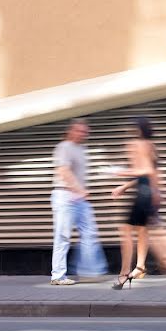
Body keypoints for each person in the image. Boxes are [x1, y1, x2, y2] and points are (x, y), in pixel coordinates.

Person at [111, 117, 166, 289]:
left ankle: (126, 273)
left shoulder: (139, 145)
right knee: (147, 231)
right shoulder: (150, 146)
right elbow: (151, 173)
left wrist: (121, 173)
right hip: (148, 192)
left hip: (144, 195)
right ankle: (145, 267)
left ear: (138, 130)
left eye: (131, 129)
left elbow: (146, 171)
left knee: (130, 232)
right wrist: (128, 186)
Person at [49, 119, 108, 286]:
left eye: (85, 132)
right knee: (63, 236)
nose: (84, 134)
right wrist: (78, 189)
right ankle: (58, 276)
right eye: (80, 131)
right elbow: (63, 170)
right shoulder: (64, 147)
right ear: (71, 131)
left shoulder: (82, 149)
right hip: (64, 196)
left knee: (90, 232)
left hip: (79, 199)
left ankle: (89, 271)